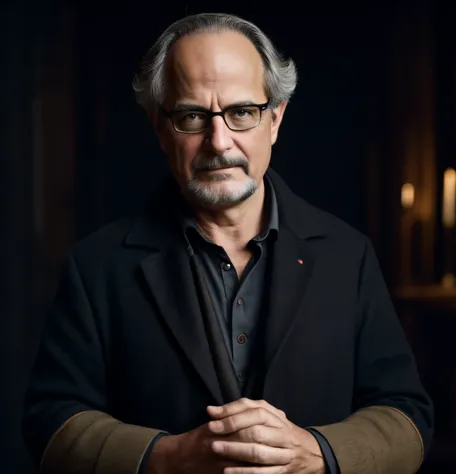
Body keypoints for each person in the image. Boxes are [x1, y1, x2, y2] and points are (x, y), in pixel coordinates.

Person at [23, 12, 433, 474]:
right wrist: (169, 457)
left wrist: (314, 452)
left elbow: (408, 415)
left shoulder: (348, 254)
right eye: (193, 115)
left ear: (275, 119)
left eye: (242, 113)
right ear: (160, 128)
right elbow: (48, 423)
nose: (219, 142)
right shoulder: (96, 265)